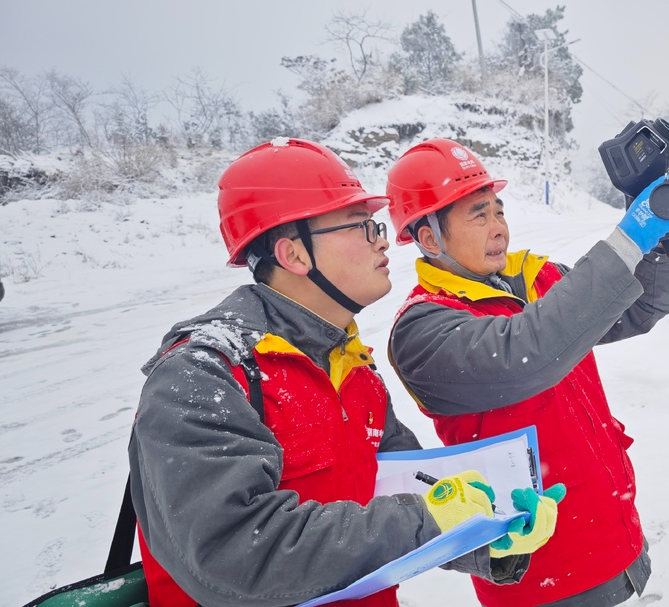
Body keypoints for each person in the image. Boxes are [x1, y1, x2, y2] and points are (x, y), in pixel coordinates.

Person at [127, 138, 562, 607]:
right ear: (294, 255)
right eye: (360, 225)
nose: (381, 238)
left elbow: (412, 487)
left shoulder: (352, 368)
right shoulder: (204, 376)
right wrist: (432, 519)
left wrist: (487, 533)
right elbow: (235, 549)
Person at [385, 139, 669, 607]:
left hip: (616, 542)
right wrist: (628, 239)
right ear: (429, 239)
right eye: (478, 215)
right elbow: (530, 351)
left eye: (499, 212)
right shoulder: (423, 328)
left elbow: (640, 306)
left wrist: (662, 236)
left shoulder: (538, 281)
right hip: (542, 577)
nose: (498, 229)